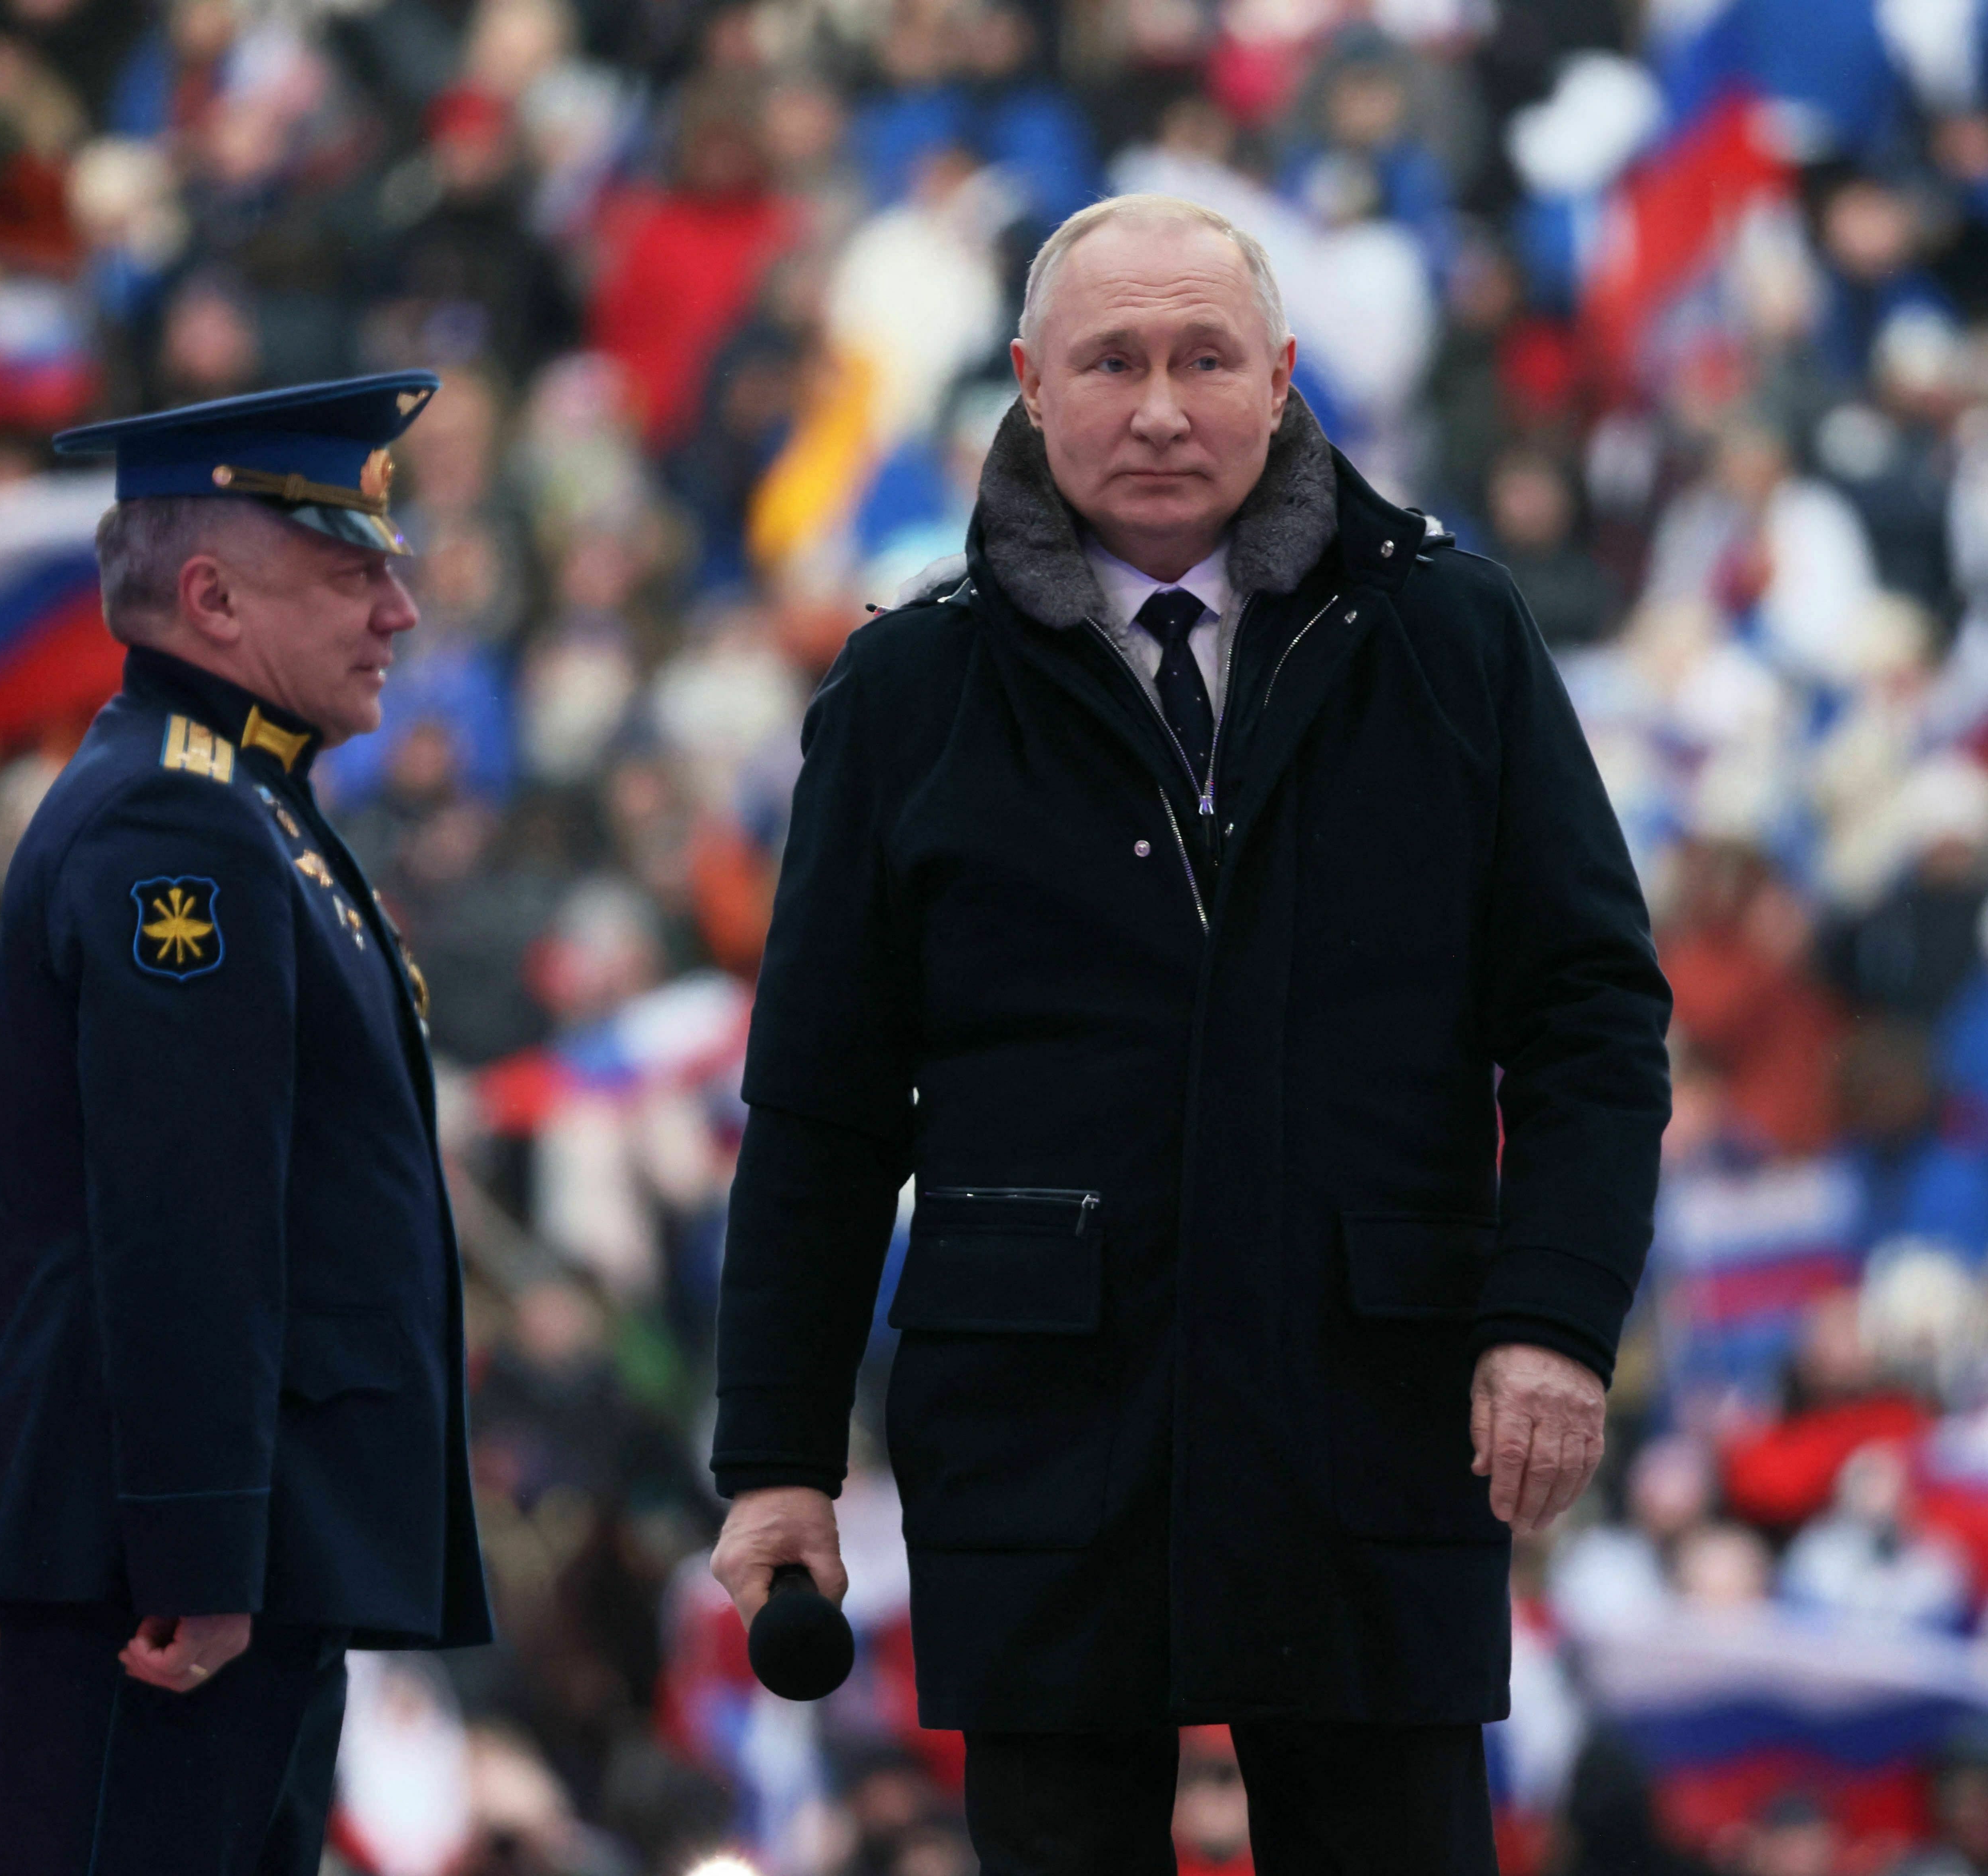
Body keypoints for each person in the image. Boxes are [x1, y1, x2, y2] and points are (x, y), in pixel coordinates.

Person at [709, 195, 1672, 1874]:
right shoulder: (907, 694)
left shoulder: (1453, 638)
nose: (1161, 405)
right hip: (1044, 1430)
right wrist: (779, 1452)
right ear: (1027, 380)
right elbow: (820, 1108)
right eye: (1113, 360)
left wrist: (1556, 1318)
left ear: (1284, 377)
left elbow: (1593, 1010)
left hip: (1374, 1410)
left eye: (1206, 357)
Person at [0, 372, 492, 1874]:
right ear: (209, 598)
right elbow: (182, 1218)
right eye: (351, 571)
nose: (396, 610)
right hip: (176, 1577)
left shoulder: (250, 802)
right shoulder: (174, 820)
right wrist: (201, 1553)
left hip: (242, 1556)